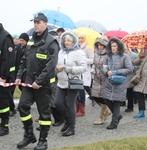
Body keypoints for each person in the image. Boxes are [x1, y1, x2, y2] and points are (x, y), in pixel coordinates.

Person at [15, 13, 60, 150]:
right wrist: (18, 75)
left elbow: (51, 66)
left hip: (44, 85)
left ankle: (43, 141)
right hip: (29, 83)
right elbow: (24, 60)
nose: (35, 24)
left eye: (38, 22)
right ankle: (29, 135)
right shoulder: (30, 40)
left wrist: (39, 81)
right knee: (22, 107)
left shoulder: (51, 42)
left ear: (45, 24)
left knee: (44, 114)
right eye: (34, 22)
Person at [54, 31, 87, 136]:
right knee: (57, 103)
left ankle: (72, 128)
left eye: (69, 40)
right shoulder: (61, 52)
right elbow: (57, 65)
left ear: (74, 41)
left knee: (69, 105)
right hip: (61, 81)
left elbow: (83, 68)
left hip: (73, 82)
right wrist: (57, 70)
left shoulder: (79, 52)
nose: (66, 42)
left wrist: (69, 69)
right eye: (64, 40)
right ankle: (67, 122)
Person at [102, 37, 133, 130]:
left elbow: (130, 69)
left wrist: (116, 72)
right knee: (106, 99)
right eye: (112, 46)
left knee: (116, 102)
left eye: (115, 46)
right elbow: (104, 68)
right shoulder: (108, 56)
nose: (113, 48)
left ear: (119, 46)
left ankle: (114, 122)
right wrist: (106, 72)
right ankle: (118, 115)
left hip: (119, 83)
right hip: (109, 82)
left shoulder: (125, 57)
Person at [91, 36, 111, 125]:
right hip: (96, 77)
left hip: (104, 77)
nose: (99, 47)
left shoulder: (109, 54)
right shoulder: (95, 53)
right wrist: (92, 69)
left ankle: (102, 117)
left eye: (101, 45)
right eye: (98, 45)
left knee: (103, 98)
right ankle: (107, 110)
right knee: (95, 96)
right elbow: (94, 63)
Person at [0, 23, 15, 136]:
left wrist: (3, 77)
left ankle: (4, 126)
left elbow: (7, 59)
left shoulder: (5, 37)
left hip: (2, 77)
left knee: (3, 102)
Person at [76, 33, 94, 117]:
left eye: (82, 38)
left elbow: (92, 60)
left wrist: (83, 60)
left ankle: (82, 109)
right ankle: (78, 107)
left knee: (82, 89)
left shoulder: (88, 48)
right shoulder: (75, 48)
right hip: (77, 71)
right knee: (77, 90)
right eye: (79, 38)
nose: (80, 39)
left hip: (85, 72)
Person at [133, 37, 147, 119]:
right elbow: (135, 63)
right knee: (139, 93)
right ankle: (141, 112)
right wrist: (139, 57)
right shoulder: (143, 52)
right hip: (142, 78)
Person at [124, 47, 138, 112]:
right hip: (123, 74)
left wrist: (131, 67)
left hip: (131, 75)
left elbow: (137, 65)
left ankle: (130, 107)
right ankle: (123, 102)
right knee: (124, 90)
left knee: (129, 91)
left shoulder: (134, 55)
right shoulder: (121, 55)